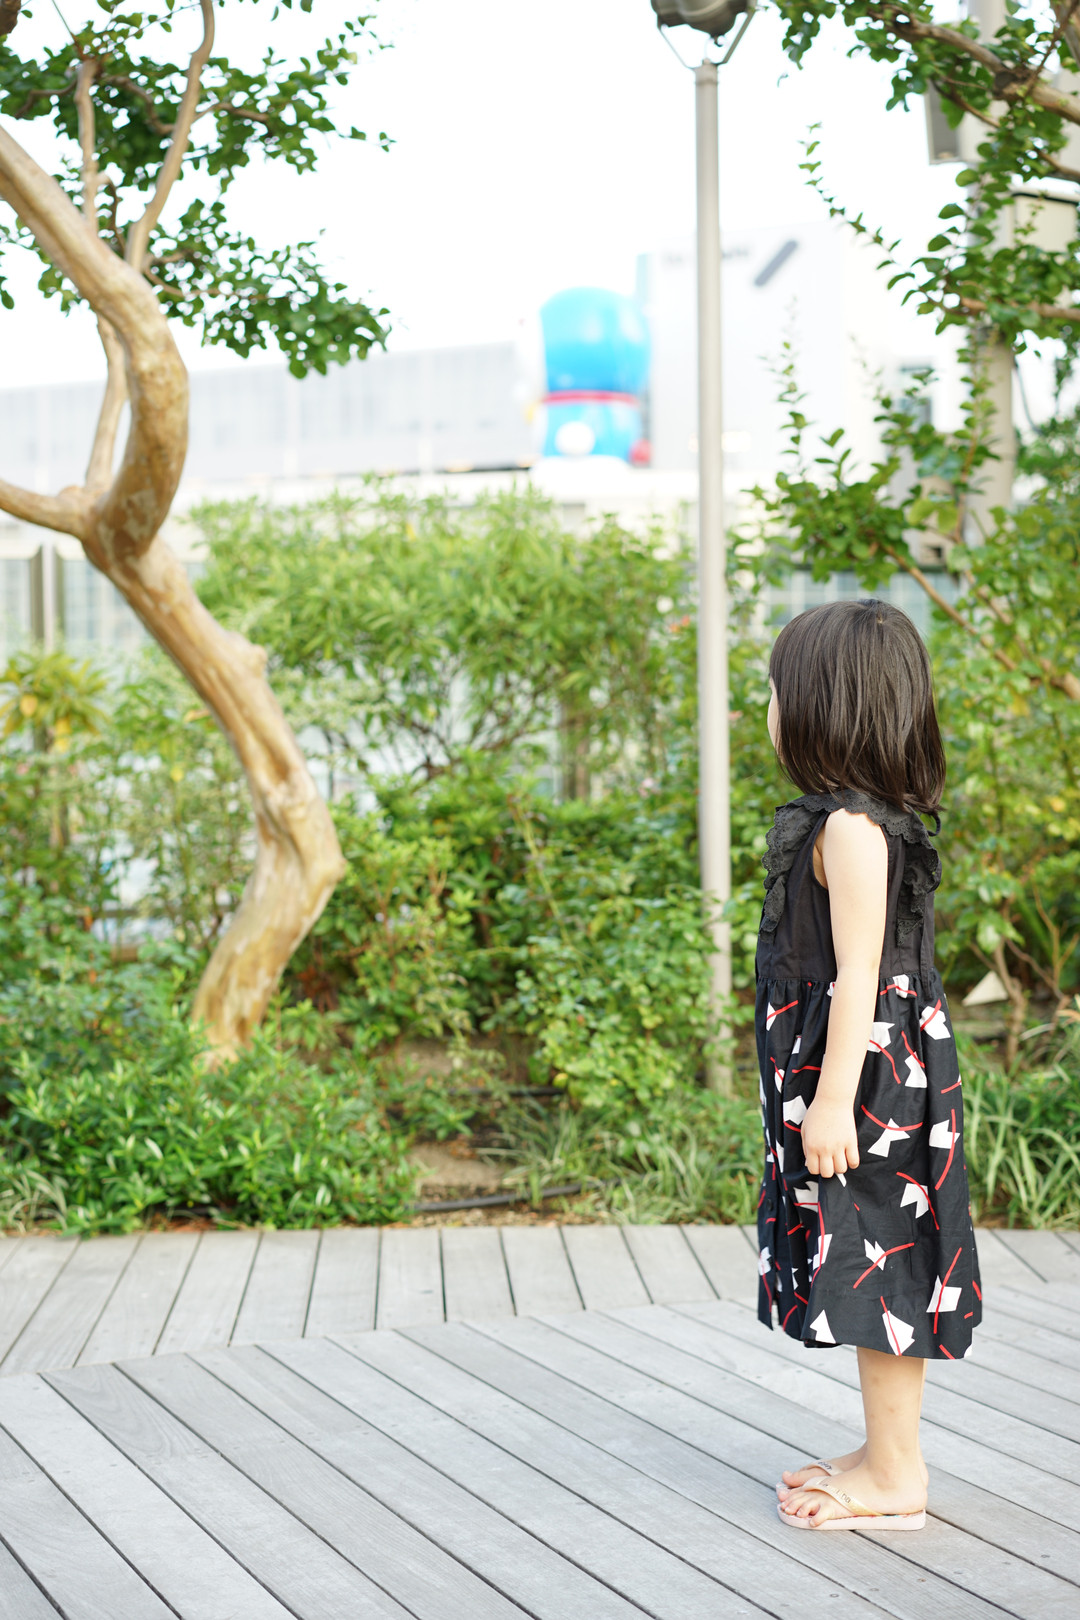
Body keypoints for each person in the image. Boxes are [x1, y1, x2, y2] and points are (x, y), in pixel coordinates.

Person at [755, 598, 980, 1532]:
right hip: (871, 1073)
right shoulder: (855, 821)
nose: (768, 708)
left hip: (869, 1085)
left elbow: (860, 977)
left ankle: (896, 1473)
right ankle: (880, 1451)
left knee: (878, 1256)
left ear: (822, 706)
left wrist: (832, 1101)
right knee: (862, 1249)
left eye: (775, 690)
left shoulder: (850, 829)